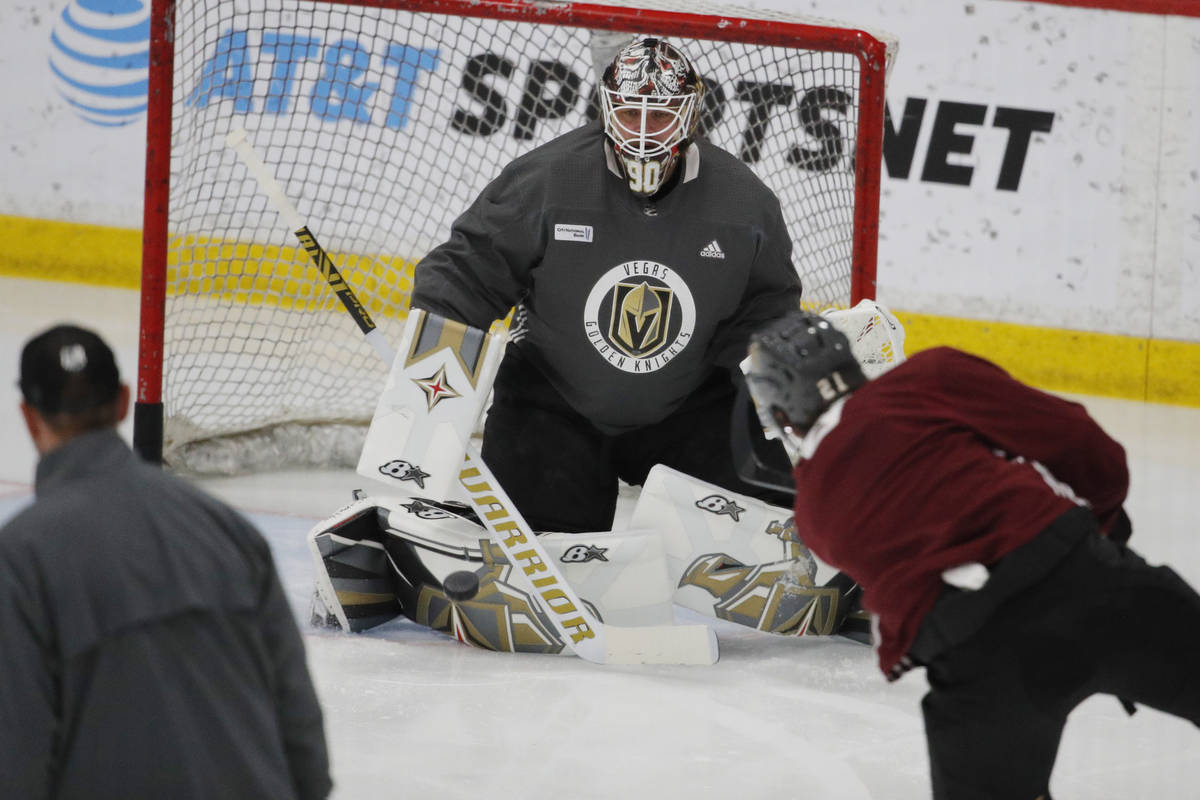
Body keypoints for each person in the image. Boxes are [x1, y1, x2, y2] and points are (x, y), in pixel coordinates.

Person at [741, 310, 1200, 799]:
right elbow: (1086, 445)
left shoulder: (813, 512)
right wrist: (1105, 529)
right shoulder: (928, 376)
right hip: (1088, 583)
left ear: (781, 413)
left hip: (980, 658)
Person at [410, 36, 801, 533]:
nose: (642, 133)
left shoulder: (745, 204)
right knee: (545, 552)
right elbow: (466, 269)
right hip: (553, 408)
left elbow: (768, 308)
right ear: (605, 109)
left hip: (688, 410)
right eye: (629, 113)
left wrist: (772, 382)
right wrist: (433, 363)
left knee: (770, 523)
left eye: (658, 115)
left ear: (689, 115)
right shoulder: (549, 180)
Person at [0, 324, 332, 800]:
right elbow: (298, 721)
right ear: (121, 402)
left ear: (30, 419)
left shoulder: (21, 558)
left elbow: (18, 748)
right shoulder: (227, 529)